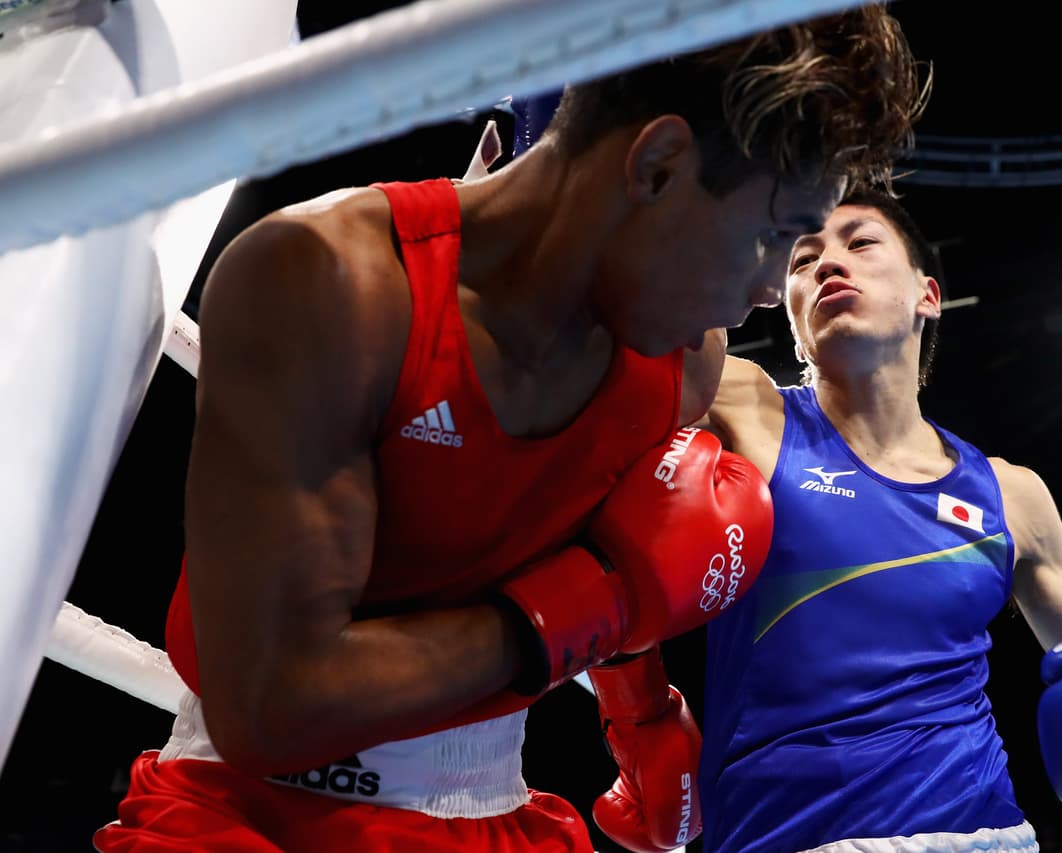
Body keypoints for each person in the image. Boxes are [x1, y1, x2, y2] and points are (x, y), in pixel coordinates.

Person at [92, 6, 929, 852]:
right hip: (243, 815)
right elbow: (271, 707)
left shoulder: (683, 359)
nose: (760, 292)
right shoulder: (334, 284)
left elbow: (614, 537)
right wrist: (588, 607)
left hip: (492, 810)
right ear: (660, 164)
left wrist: (644, 712)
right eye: (769, 238)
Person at [692, 189, 1062, 853]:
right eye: (801, 258)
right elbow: (615, 332)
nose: (827, 264)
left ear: (927, 294)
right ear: (787, 312)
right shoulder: (740, 406)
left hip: (982, 832)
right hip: (783, 836)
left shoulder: (1011, 494)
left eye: (860, 242)